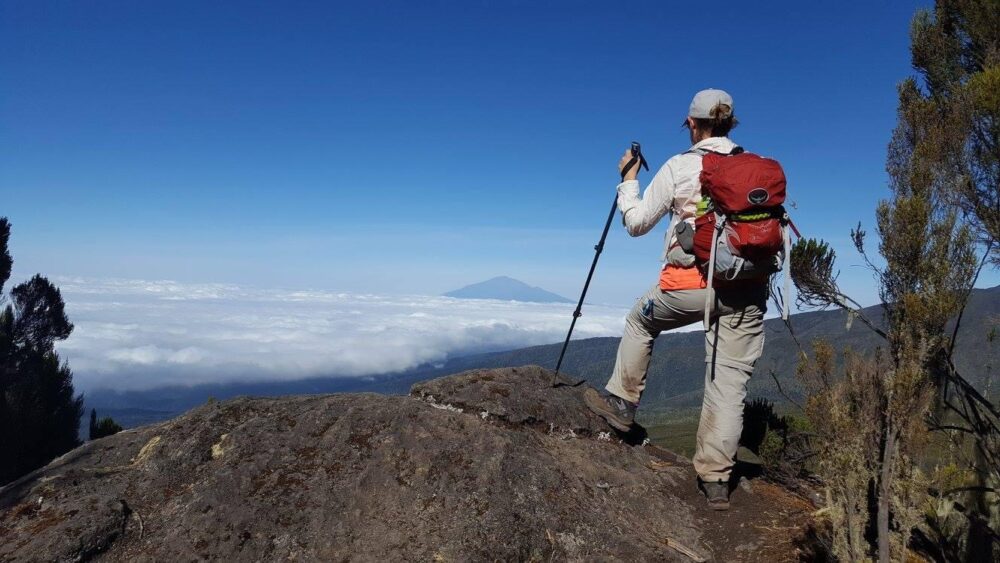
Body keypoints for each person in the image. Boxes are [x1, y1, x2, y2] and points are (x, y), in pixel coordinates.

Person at [584, 89, 768, 511]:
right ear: (730, 124)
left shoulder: (680, 166)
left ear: (692, 123)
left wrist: (629, 178)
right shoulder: (755, 169)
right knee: (729, 384)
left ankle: (622, 402)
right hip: (746, 293)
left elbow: (636, 224)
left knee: (639, 321)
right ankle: (717, 481)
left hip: (688, 286)